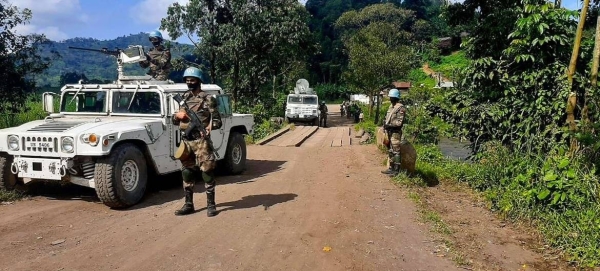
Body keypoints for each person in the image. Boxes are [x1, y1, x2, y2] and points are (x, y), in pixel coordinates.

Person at [172, 67, 222, 217]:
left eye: (192, 80)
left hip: (201, 141)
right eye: (187, 80)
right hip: (187, 142)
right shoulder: (184, 98)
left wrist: (209, 127)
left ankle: (211, 205)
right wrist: (177, 116)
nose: (189, 82)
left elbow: (218, 121)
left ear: (199, 81)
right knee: (187, 172)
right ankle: (188, 204)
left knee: (207, 171)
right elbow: (175, 121)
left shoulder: (208, 99)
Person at [381, 89, 406, 176]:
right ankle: (391, 167)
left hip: (395, 132)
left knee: (396, 151)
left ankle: (396, 170)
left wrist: (390, 125)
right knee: (390, 150)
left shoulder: (400, 108)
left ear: (396, 98)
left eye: (391, 97)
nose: (390, 99)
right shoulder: (391, 107)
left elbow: (399, 123)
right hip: (389, 132)